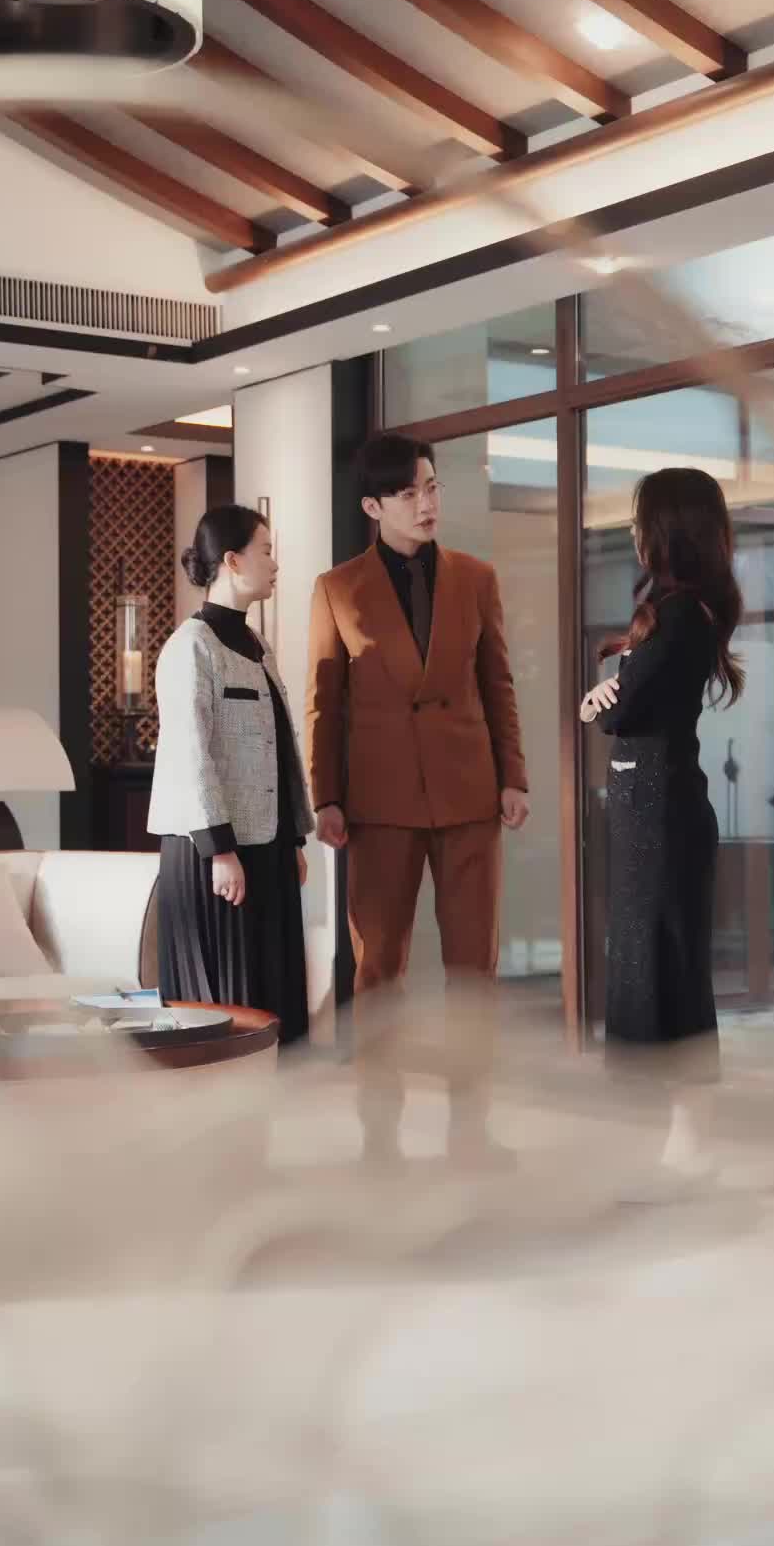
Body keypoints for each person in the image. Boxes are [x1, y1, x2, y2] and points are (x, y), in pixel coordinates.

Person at [305, 433, 530, 1162]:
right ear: (374, 506)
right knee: (379, 970)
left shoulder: (477, 578)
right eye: (408, 492)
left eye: (431, 487)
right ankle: (380, 1133)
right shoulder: (337, 589)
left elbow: (498, 682)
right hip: (378, 806)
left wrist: (513, 775)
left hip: (470, 797)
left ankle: (472, 1126)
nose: (427, 502)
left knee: (474, 970)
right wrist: (326, 797)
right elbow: (324, 704)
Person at [580, 468, 743, 1171]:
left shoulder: (678, 617)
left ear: (666, 529)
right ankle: (679, 1137)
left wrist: (606, 698)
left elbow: (620, 710)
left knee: (669, 971)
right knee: (655, 967)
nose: (631, 531)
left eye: (638, 518)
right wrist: (611, 695)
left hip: (662, 818)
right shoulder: (676, 613)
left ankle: (690, 1139)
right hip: (652, 814)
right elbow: (622, 702)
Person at [149, 504, 313, 1046]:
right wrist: (220, 851)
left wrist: (292, 838)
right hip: (214, 854)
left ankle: (279, 1094)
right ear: (233, 560)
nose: (275, 564)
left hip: (266, 847)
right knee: (228, 1009)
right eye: (266, 551)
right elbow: (190, 756)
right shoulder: (190, 648)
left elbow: (278, 747)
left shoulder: (258, 645)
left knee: (276, 998)